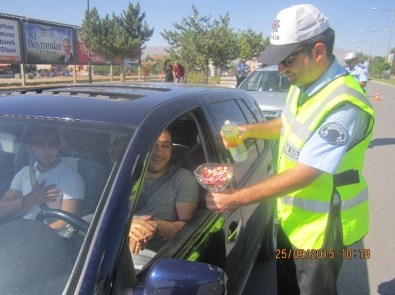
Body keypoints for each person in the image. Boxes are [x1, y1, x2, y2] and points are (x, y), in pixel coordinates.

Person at [206, 4, 375, 295]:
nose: (281, 69)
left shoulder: (343, 104)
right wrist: (249, 131)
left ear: (318, 52)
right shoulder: (306, 82)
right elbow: (288, 123)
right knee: (287, 288)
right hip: (293, 218)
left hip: (321, 229)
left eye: (287, 60)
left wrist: (236, 198)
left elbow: (307, 173)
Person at [129, 128, 199, 270]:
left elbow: (189, 230)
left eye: (165, 146)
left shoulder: (182, 178)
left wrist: (156, 226)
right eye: (153, 145)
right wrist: (125, 226)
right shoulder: (126, 175)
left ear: (171, 150)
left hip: (148, 254)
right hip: (110, 245)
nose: (159, 152)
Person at [0, 127, 85, 230]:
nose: (47, 151)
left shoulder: (71, 178)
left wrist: (33, 234)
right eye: (40, 145)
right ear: (30, 148)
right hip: (18, 233)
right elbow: (2, 210)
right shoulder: (24, 173)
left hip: (45, 239)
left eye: (52, 145)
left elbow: (67, 223)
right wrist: (29, 200)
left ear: (59, 146)